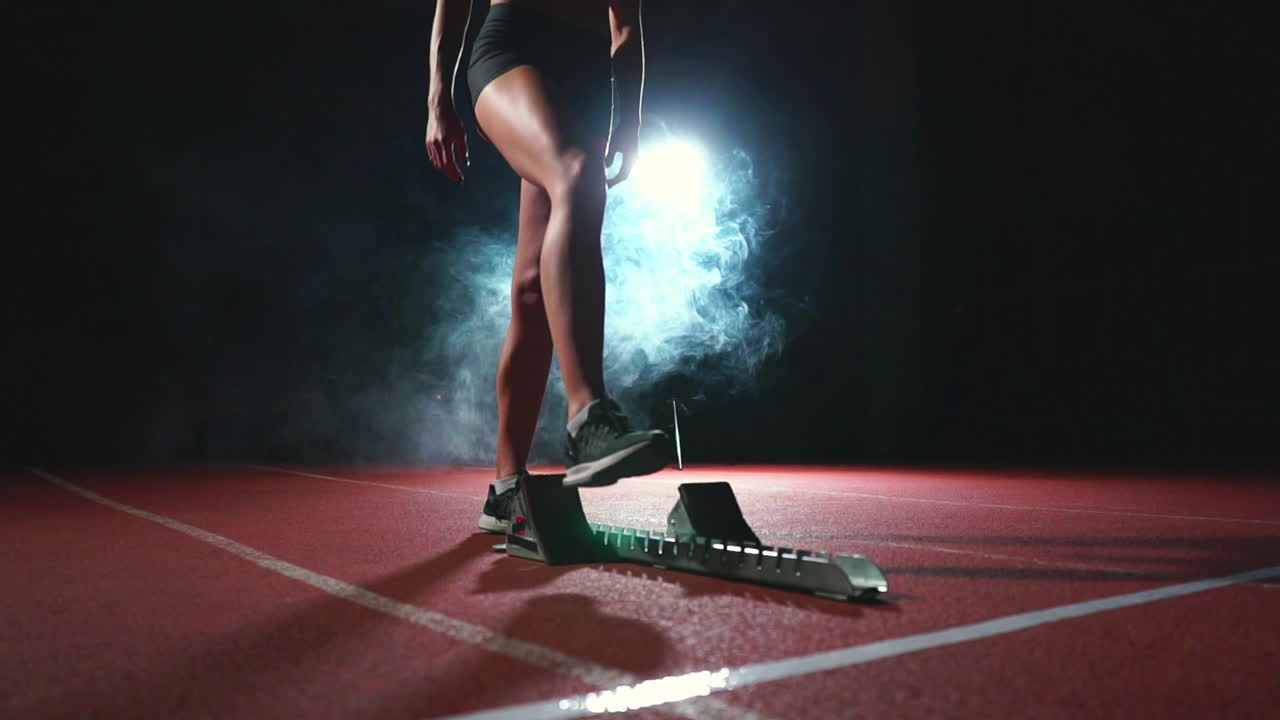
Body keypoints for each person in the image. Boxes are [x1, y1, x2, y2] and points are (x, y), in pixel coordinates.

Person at [425, 0, 671, 533]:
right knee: (576, 174)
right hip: (511, 51)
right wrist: (438, 98)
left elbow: (625, 24)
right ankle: (588, 417)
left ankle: (507, 488)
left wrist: (628, 120)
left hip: (582, 74)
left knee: (533, 286)